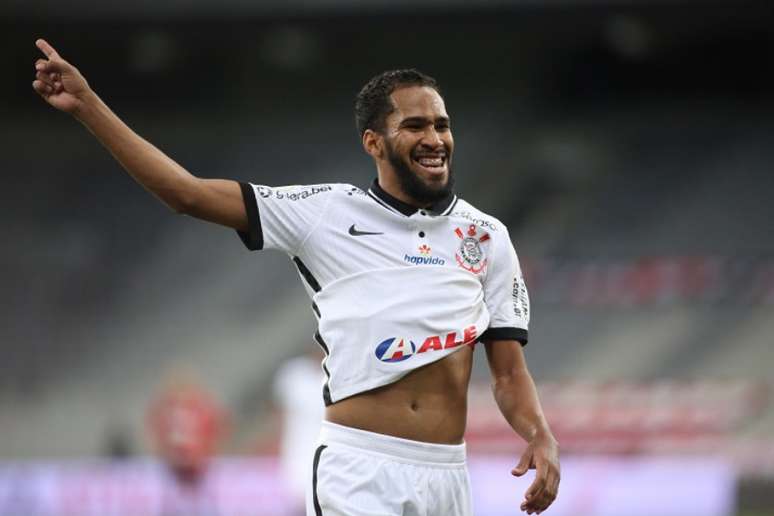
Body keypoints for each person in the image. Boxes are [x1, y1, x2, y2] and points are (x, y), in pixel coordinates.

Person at [32, 38, 560, 516]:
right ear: (374, 142)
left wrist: (539, 433)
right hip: (360, 469)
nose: (435, 138)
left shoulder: (486, 236)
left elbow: (510, 375)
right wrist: (89, 108)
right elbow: (186, 193)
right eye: (415, 126)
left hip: (448, 473)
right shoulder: (323, 213)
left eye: (442, 124)